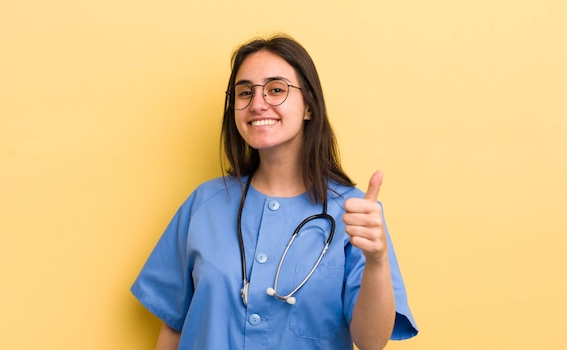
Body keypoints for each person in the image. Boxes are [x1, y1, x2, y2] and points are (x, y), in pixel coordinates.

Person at [131, 34, 418, 350]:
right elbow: (173, 328)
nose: (257, 104)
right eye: (244, 93)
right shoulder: (204, 204)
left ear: (309, 105)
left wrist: (377, 260)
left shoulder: (353, 213)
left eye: (276, 90)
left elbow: (371, 342)